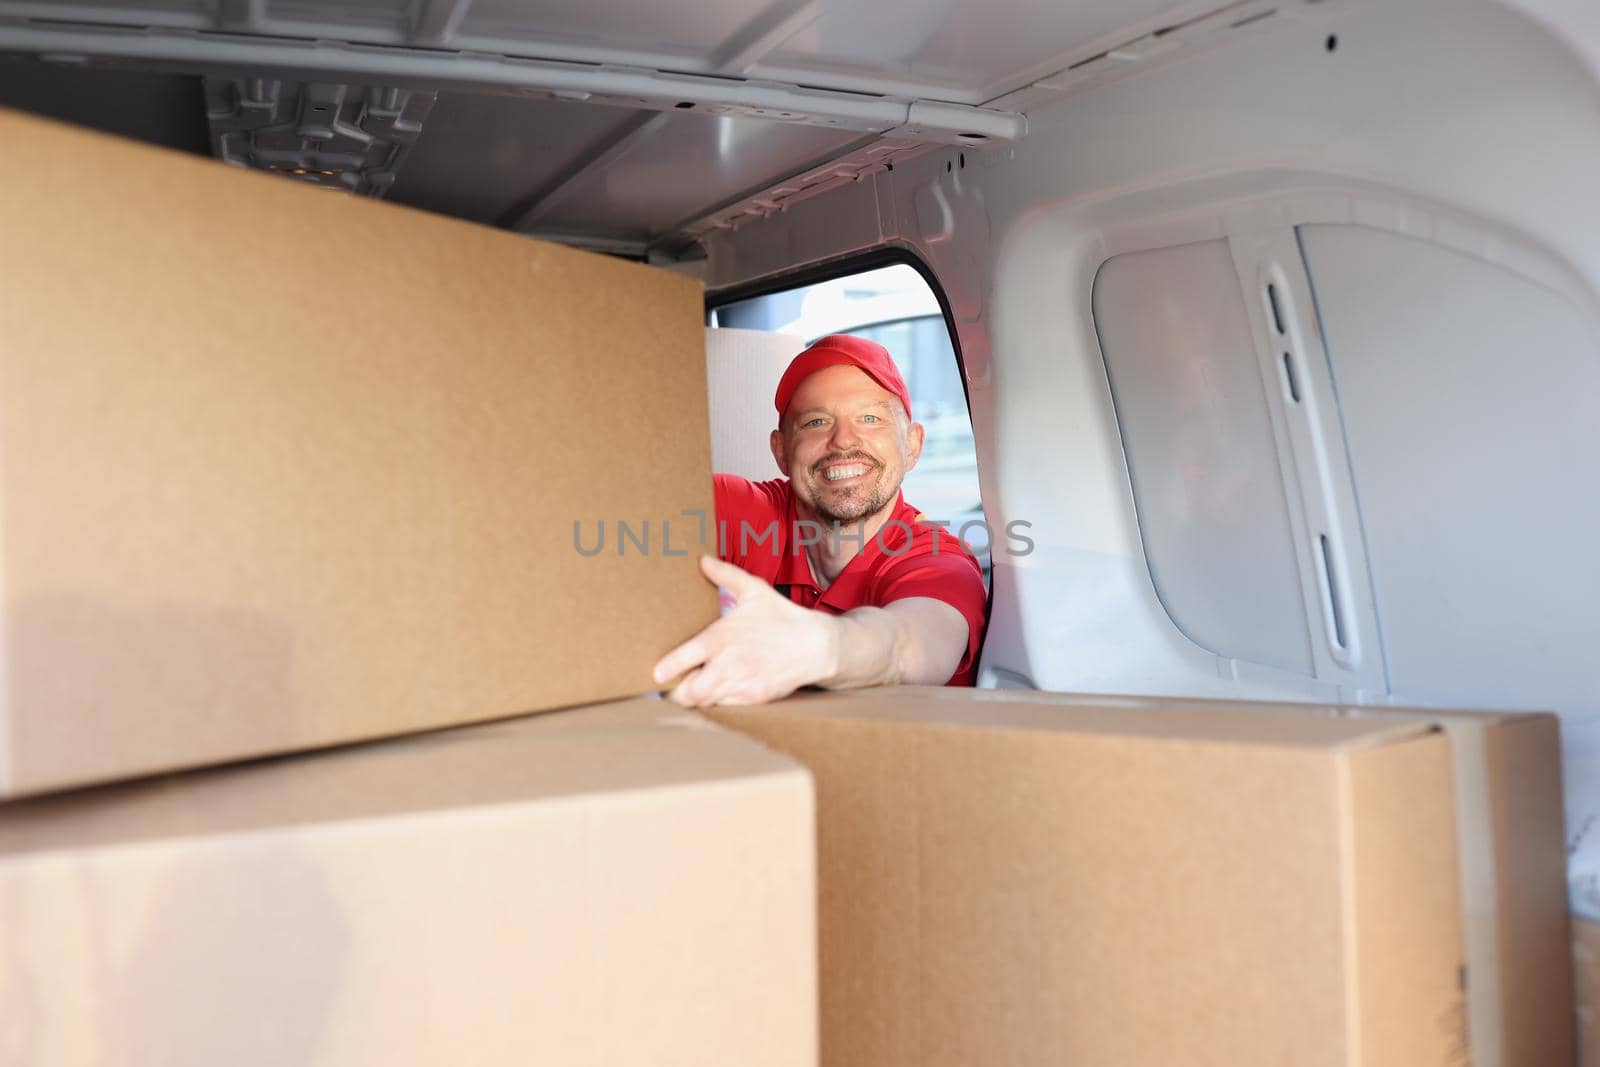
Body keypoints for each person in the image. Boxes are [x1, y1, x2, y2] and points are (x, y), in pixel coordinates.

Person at [652, 334, 987, 707]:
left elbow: (906, 644)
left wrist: (816, 646)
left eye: (870, 418)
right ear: (781, 451)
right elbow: (620, 501)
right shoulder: (748, 510)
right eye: (816, 422)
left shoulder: (938, 561)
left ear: (912, 445)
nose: (843, 440)